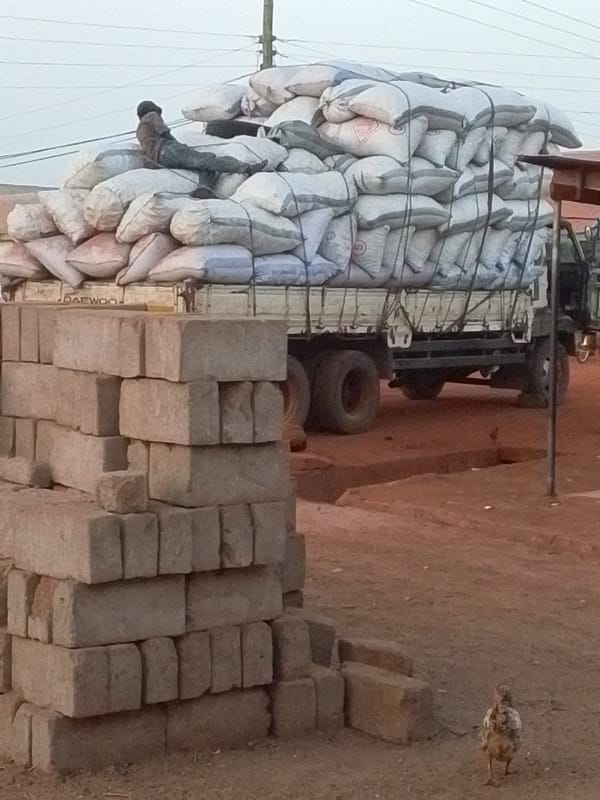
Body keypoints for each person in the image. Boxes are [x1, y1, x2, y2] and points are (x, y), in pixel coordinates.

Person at [135, 100, 265, 196]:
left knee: (203, 166)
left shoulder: (139, 130)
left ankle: (204, 190)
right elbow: (164, 132)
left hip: (160, 160)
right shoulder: (151, 116)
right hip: (168, 149)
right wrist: (178, 146)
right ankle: (246, 168)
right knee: (208, 160)